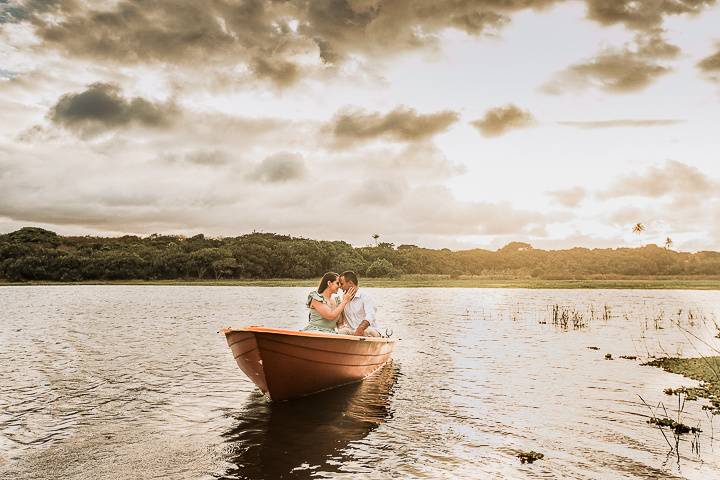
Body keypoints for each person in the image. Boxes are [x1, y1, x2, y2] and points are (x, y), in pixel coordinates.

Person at [337, 271, 381, 337]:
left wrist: (360, 328)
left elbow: (370, 316)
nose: (340, 286)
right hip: (353, 332)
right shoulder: (343, 298)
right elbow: (340, 319)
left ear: (350, 283)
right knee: (342, 331)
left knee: (366, 331)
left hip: (370, 330)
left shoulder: (365, 296)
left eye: (342, 283)